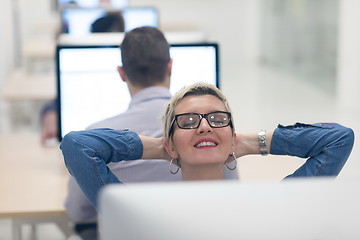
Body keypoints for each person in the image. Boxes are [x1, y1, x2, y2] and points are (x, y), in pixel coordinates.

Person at [60, 82, 355, 209]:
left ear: (233, 139)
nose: (203, 125)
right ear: (171, 146)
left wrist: (252, 143)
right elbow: (77, 146)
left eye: (217, 119)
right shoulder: (138, 210)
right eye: (188, 121)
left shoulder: (272, 206)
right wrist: (160, 148)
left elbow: (338, 140)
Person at [63, 28, 238, 238]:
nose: (203, 127)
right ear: (170, 67)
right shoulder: (211, 140)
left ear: (121, 72)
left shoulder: (95, 143)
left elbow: (78, 212)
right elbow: (230, 193)